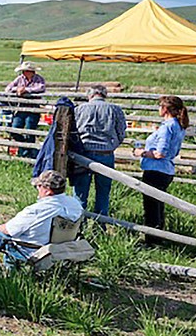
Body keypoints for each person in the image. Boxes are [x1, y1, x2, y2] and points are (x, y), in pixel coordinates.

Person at [0, 171, 83, 262]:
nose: (37, 188)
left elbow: (8, 230)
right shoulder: (75, 205)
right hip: (62, 250)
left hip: (33, 252)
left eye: (38, 186)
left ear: (47, 191)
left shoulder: (36, 210)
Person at [135, 96, 188, 236]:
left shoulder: (167, 127)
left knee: (151, 206)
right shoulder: (179, 126)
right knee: (158, 205)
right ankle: (159, 235)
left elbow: (160, 153)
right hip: (167, 170)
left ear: (165, 109)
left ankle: (152, 239)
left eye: (160, 106)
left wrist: (142, 153)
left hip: (155, 170)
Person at [72, 85, 127, 217]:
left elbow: (73, 131)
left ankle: (78, 224)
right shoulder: (115, 109)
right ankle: (101, 222)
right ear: (105, 95)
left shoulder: (79, 109)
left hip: (83, 154)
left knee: (80, 192)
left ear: (89, 95)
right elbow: (121, 132)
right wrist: (112, 145)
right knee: (103, 191)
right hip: (105, 153)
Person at [6, 62, 46, 159]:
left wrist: (27, 90)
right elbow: (8, 88)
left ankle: (27, 154)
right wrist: (18, 89)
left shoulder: (38, 79)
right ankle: (25, 148)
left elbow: (41, 87)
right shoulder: (20, 79)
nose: (24, 73)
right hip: (21, 109)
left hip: (33, 109)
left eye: (26, 71)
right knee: (14, 129)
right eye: (24, 71)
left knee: (30, 130)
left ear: (32, 72)